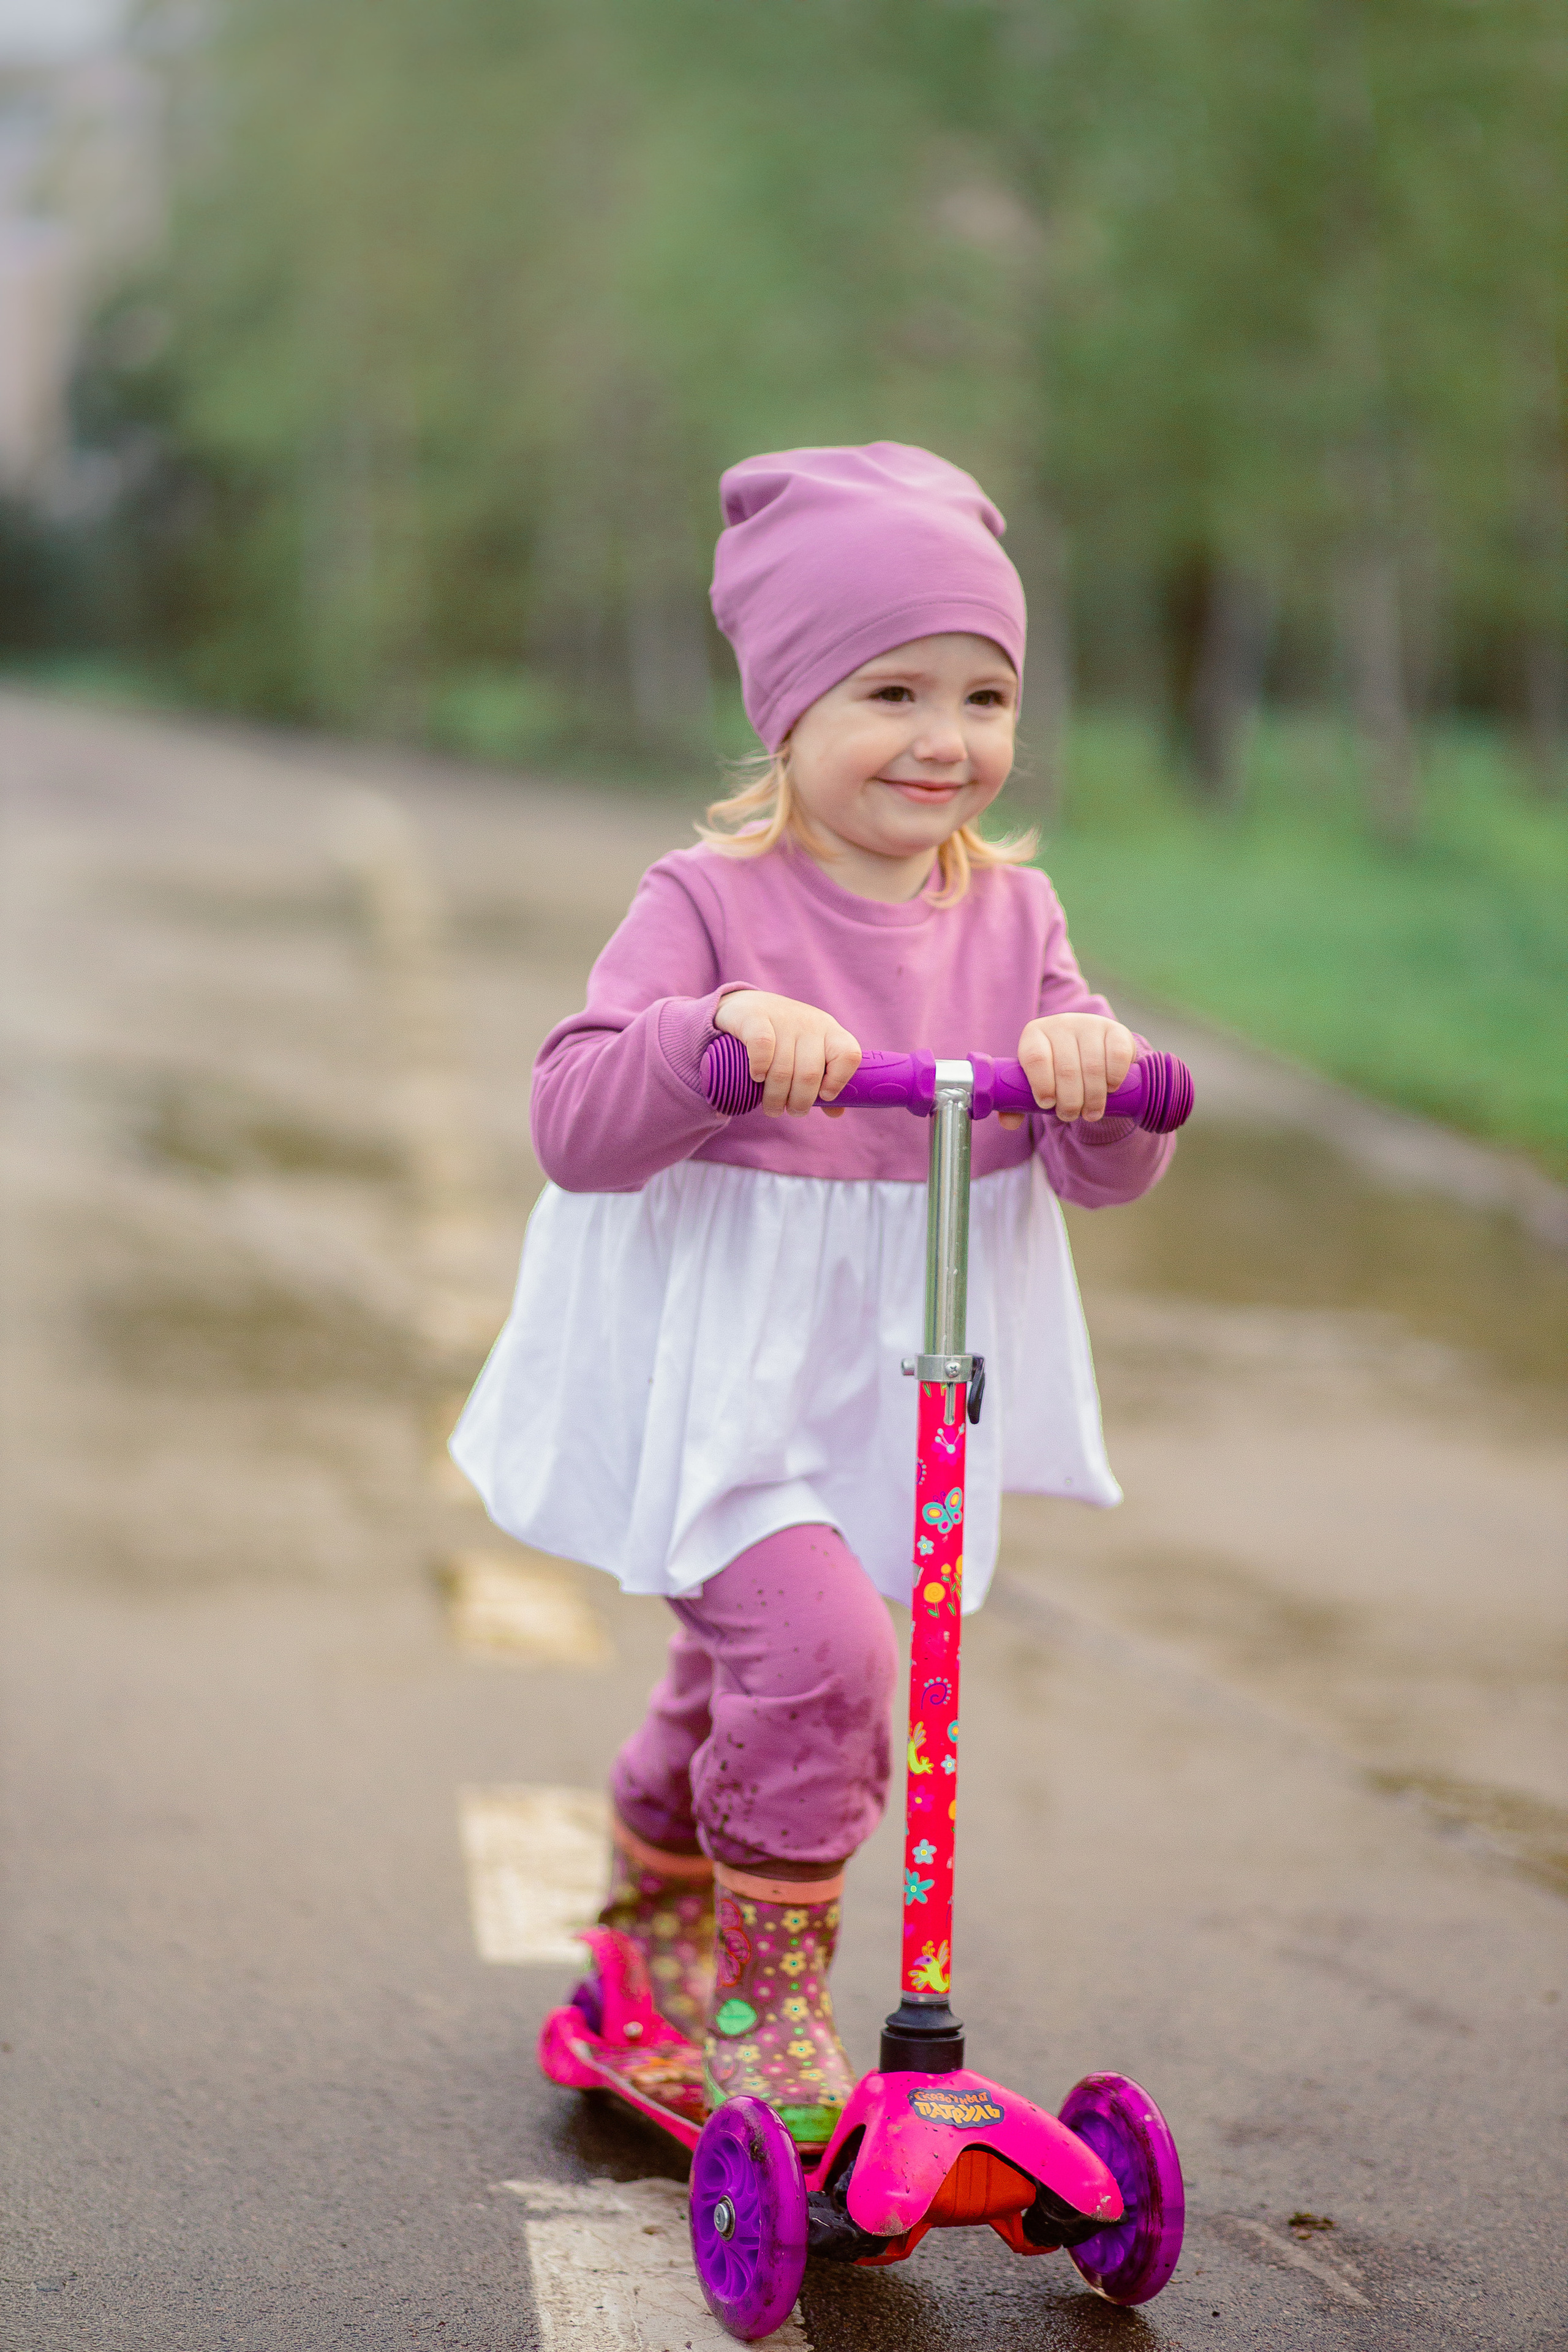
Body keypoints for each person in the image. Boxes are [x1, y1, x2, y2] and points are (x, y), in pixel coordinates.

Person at [451, 442, 1176, 2154]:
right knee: (825, 1654)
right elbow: (572, 1120)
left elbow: (1101, 1169)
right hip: (726, 1373)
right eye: (894, 690)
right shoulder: (707, 904)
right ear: (785, 709)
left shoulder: (1018, 917)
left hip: (908, 1373)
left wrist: (1096, 1078)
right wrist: (706, 1048)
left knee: (765, 1679)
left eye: (986, 693)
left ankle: (646, 1903)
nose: (948, 738)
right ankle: (775, 2012)